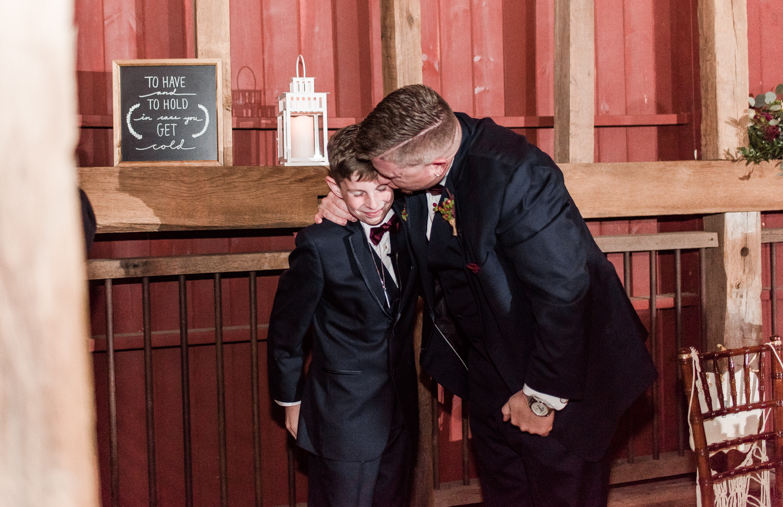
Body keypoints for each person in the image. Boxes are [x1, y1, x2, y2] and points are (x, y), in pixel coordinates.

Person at [316, 84, 658, 507]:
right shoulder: (421, 163)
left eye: (389, 178)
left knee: (560, 494)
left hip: (566, 368)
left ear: (435, 164)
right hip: (489, 369)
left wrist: (541, 397)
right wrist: (344, 210)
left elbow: (566, 291)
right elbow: (391, 214)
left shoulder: (518, 175)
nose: (383, 184)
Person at [267, 124, 420, 507]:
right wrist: (290, 401)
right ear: (334, 188)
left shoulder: (408, 225)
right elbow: (286, 332)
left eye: (383, 189)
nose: (373, 203)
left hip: (400, 412)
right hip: (342, 419)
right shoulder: (319, 245)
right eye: (358, 192)